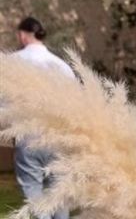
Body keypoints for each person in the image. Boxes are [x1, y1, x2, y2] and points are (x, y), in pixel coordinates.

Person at [13, 17, 74, 219]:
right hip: (58, 137)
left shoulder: (12, 62)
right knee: (59, 195)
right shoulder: (62, 66)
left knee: (35, 195)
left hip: (28, 135)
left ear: (22, 35)